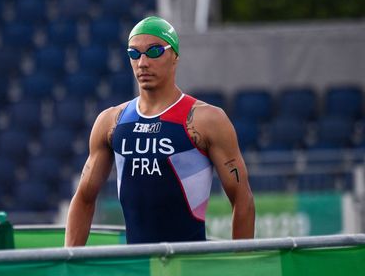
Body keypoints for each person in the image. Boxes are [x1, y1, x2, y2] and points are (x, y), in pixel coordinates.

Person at [65, 16, 255, 245]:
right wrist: (70, 261)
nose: (143, 62)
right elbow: (84, 198)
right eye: (134, 54)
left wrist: (243, 262)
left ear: (174, 55)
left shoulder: (207, 120)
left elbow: (242, 198)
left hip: (187, 266)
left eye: (154, 51)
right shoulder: (111, 121)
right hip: (138, 267)